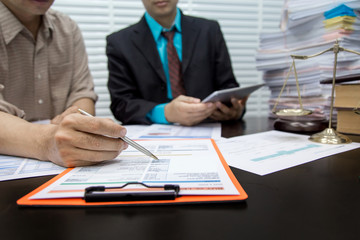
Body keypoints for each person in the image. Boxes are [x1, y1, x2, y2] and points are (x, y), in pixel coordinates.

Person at [0, 0, 128, 167]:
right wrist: (46, 141)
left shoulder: (67, 28)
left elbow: (82, 93)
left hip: (61, 168)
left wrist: (79, 123)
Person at [107, 0, 248, 126]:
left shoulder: (209, 31)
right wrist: (165, 112)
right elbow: (121, 104)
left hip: (209, 127)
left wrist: (235, 110)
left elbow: (229, 86)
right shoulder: (120, 42)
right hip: (154, 136)